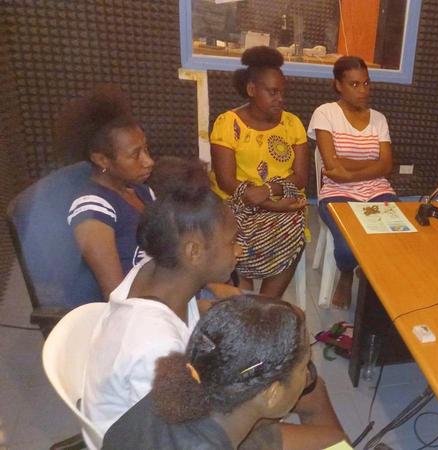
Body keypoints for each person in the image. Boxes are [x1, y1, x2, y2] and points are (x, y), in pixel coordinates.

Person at [82, 162, 241, 436]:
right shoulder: (156, 346)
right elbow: (175, 435)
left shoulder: (155, 271)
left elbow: (185, 317)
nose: (239, 250)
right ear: (193, 252)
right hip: (139, 438)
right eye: (232, 242)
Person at [102, 296, 347, 450]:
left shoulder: (183, 382)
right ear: (272, 394)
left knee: (333, 439)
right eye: (304, 368)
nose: (308, 377)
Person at [208, 45, 308, 298]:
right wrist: (268, 203)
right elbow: (226, 181)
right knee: (231, 235)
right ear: (252, 90)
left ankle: (266, 302)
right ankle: (245, 294)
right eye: (272, 92)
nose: (280, 98)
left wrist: (269, 190)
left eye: (282, 92)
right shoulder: (227, 124)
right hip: (239, 203)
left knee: (293, 231)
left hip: (283, 203)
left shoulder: (293, 124)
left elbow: (300, 177)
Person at [308, 56, 399, 308]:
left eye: (366, 83)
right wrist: (372, 164)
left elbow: (387, 166)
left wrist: (349, 173)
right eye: (354, 84)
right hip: (336, 191)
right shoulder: (325, 113)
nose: (363, 90)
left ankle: (374, 278)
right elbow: (331, 162)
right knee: (348, 248)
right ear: (338, 85)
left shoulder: (378, 119)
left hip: (377, 189)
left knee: (397, 236)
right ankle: (347, 273)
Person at [58, 85, 155, 299]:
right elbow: (116, 294)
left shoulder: (141, 190)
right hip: (139, 306)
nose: (149, 161)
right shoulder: (93, 209)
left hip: (161, 289)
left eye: (146, 149)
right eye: (135, 155)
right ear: (101, 159)